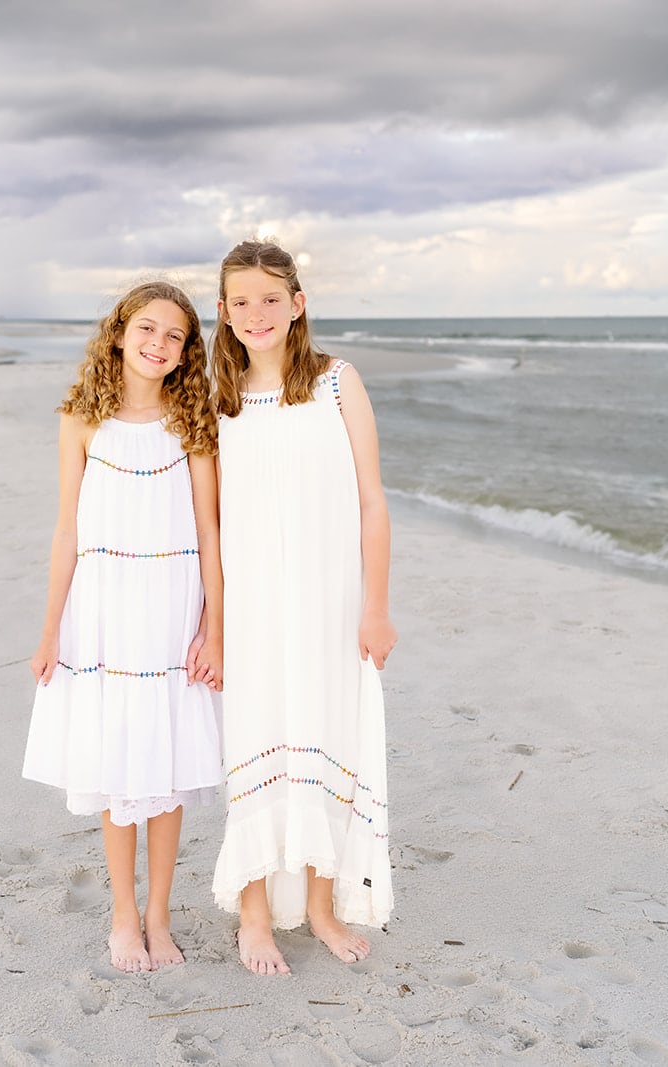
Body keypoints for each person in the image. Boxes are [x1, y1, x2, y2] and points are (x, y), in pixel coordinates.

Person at [22, 281, 224, 973]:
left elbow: (209, 531)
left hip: (172, 609)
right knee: (117, 769)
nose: (157, 343)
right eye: (146, 328)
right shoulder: (81, 418)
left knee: (166, 769)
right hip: (103, 611)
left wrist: (214, 626)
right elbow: (66, 529)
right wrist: (51, 628)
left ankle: (161, 916)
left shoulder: (193, 421)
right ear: (118, 333)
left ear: (186, 351)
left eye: (174, 335)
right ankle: (123, 915)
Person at [209, 239, 396, 976]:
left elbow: (373, 500)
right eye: (241, 301)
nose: (257, 312)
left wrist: (376, 605)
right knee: (255, 740)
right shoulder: (217, 396)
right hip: (252, 602)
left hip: (332, 594)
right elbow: (210, 523)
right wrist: (213, 623)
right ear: (222, 313)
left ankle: (321, 906)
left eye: (271, 297)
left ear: (299, 303)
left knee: (329, 735)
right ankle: (254, 915)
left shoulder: (336, 381)